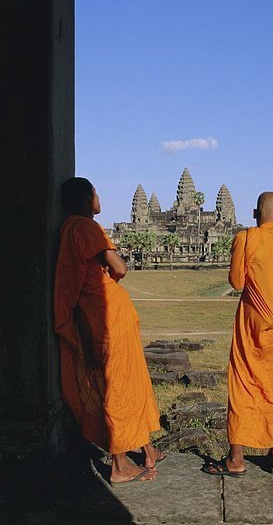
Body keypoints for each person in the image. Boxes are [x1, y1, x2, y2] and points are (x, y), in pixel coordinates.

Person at [54, 177, 164, 485]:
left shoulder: (69, 229)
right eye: (97, 193)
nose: (100, 198)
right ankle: (118, 464)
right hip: (107, 316)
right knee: (116, 385)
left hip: (102, 313)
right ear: (88, 199)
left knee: (129, 380)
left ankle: (148, 450)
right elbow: (120, 268)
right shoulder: (86, 228)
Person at [204, 192, 273, 476]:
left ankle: (236, 459)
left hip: (254, 328)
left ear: (255, 213)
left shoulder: (247, 238)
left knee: (244, 385)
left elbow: (237, 280)